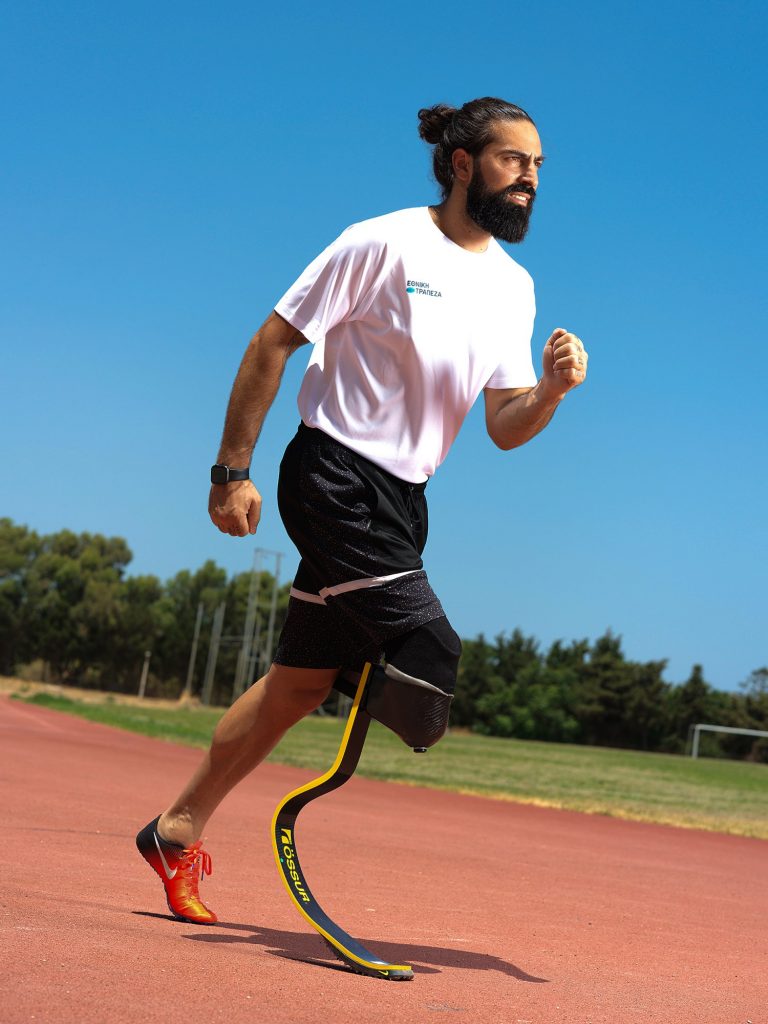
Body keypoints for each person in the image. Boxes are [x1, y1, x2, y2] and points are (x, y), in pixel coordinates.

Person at [136, 97, 589, 924]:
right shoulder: (382, 241)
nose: (530, 178)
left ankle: (175, 830)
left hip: (405, 503)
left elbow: (504, 424)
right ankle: (358, 702)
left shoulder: (513, 287)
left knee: (297, 687)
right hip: (332, 476)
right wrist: (230, 472)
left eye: (537, 166)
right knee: (429, 651)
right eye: (513, 160)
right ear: (462, 164)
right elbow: (273, 342)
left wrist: (552, 393)